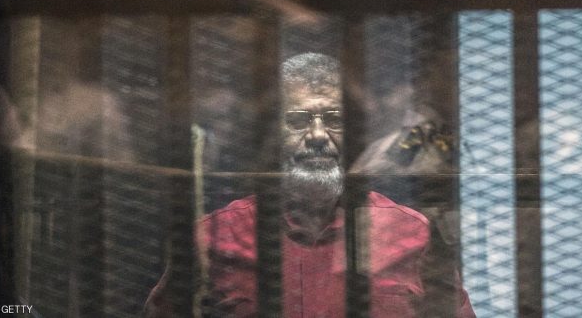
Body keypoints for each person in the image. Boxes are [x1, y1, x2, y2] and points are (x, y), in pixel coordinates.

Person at [144, 52, 475, 317]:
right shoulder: (215, 236)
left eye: (333, 121)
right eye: (298, 121)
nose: (318, 136)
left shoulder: (410, 232)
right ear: (274, 131)